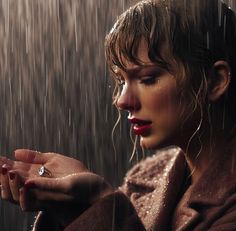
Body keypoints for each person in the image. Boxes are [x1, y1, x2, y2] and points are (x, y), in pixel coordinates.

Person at [1, 0, 236, 230]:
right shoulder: (144, 179)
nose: (122, 101)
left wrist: (102, 204)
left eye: (147, 79)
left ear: (215, 81)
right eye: (121, 81)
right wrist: (74, 210)